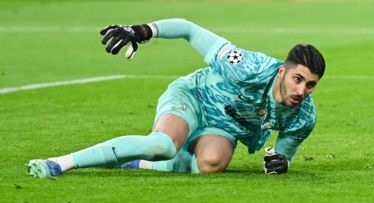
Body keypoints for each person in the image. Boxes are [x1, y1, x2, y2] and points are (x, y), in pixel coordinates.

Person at [26, 19, 325, 177]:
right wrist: (143, 30)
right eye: (297, 79)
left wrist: (279, 164)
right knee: (162, 146)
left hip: (222, 127)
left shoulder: (304, 116)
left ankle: (137, 163)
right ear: (282, 72)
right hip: (192, 97)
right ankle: (61, 163)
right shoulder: (247, 66)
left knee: (210, 164)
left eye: (310, 85)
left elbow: (280, 156)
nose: (301, 90)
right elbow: (188, 29)